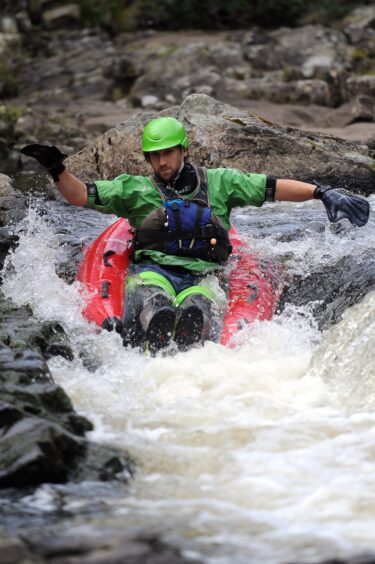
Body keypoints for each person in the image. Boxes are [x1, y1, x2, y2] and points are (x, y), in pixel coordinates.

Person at [21, 117, 370, 353]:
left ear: (183, 150)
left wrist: (322, 192)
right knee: (153, 300)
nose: (162, 162)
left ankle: (192, 343)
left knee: (197, 307)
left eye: (167, 153)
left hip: (203, 275)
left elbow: (273, 188)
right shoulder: (135, 190)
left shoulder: (220, 183)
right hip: (151, 272)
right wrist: (57, 168)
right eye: (155, 155)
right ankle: (152, 334)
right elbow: (80, 195)